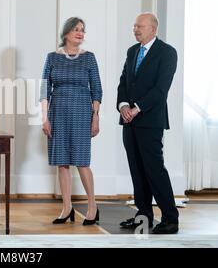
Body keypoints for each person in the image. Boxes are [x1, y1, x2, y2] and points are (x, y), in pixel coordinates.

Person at [117, 13, 179, 234]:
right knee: (137, 170)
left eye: (140, 26)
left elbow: (161, 90)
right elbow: (124, 82)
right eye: (134, 25)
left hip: (150, 121)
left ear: (153, 28)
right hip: (129, 121)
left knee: (154, 170)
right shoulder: (132, 51)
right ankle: (143, 216)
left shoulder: (167, 52)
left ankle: (171, 218)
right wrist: (123, 105)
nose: (135, 29)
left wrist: (136, 108)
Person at [40, 17, 103, 226]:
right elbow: (44, 90)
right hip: (58, 113)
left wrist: (96, 117)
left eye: (83, 30)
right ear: (66, 33)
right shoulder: (51, 58)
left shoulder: (89, 58)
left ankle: (92, 206)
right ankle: (67, 207)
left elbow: (97, 89)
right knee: (62, 162)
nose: (80, 33)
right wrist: (45, 118)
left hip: (82, 113)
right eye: (76, 29)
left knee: (82, 161)